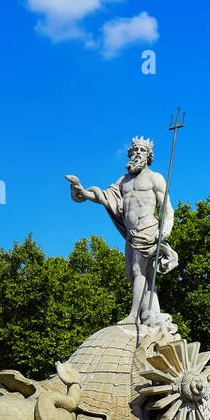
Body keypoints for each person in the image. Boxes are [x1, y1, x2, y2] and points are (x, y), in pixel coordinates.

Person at [66, 136, 178, 327]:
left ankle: (133, 316)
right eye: (134, 150)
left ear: (149, 155)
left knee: (137, 270)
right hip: (130, 234)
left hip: (148, 230)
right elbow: (105, 196)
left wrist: (164, 231)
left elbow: (167, 209)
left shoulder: (155, 178)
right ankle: (150, 314)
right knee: (134, 273)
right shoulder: (123, 181)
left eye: (141, 151)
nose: (137, 154)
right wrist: (82, 191)